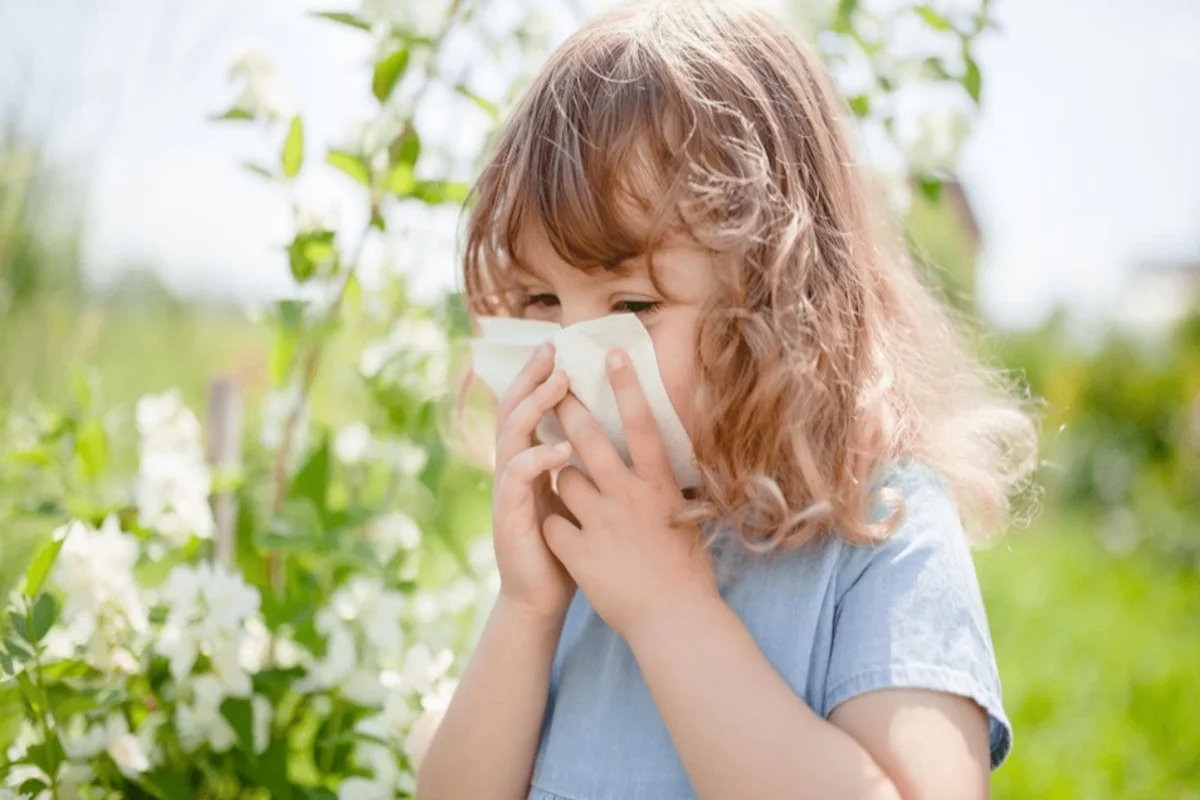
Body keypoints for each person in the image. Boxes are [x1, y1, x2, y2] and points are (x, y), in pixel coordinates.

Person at [417, 0, 1038, 797]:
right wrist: (527, 609)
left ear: (778, 299)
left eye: (634, 307)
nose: (570, 361)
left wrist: (670, 611)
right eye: (541, 301)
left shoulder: (878, 529)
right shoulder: (573, 538)